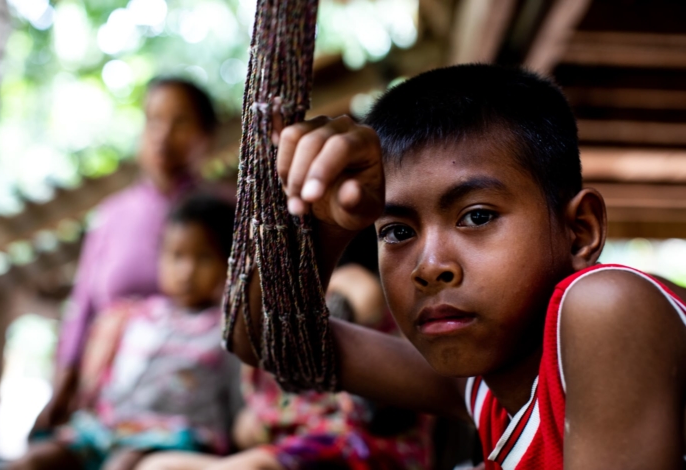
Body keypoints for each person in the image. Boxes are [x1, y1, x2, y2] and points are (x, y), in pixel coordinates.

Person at [229, 64, 686, 469]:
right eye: (397, 232)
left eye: (478, 216)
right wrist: (324, 223)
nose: (430, 267)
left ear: (581, 231)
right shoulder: (483, 385)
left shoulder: (607, 305)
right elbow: (265, 339)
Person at [35, 78, 234, 433]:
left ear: (205, 137)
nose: (163, 134)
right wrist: (62, 388)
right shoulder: (112, 215)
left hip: (188, 405)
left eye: (181, 122)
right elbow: (83, 306)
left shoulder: (225, 212)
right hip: (107, 395)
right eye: (153, 120)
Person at [134, 234, 432, 470]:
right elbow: (252, 422)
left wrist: (326, 304)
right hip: (291, 449)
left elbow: (362, 298)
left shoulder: (348, 281)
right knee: (157, 466)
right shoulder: (255, 316)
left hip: (358, 442)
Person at [13, 193, 241, 470]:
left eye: (203, 258)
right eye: (176, 256)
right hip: (111, 428)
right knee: (35, 460)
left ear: (228, 261)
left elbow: (239, 404)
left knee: (123, 466)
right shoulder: (132, 318)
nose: (187, 271)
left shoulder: (228, 331)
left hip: (178, 438)